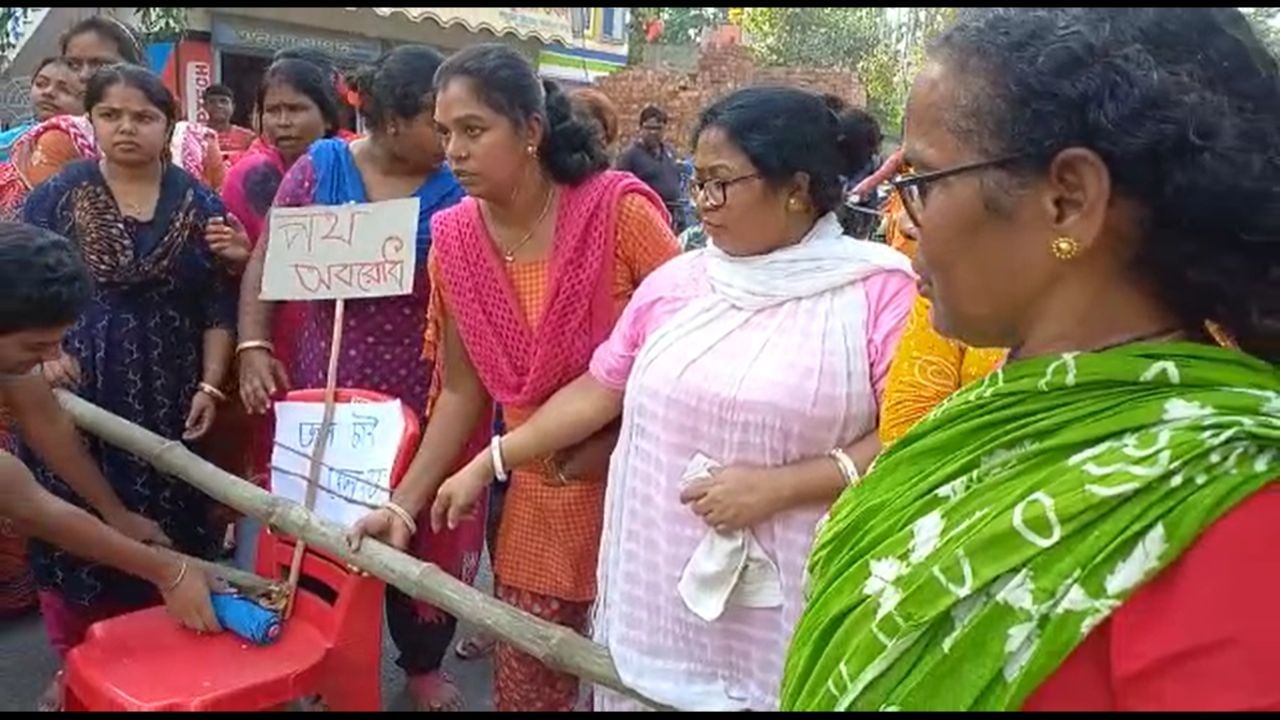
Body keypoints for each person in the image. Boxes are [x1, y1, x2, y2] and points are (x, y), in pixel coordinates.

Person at [782, 7, 1280, 712]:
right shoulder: (982, 427)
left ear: (1067, 200)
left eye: (922, 179)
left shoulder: (1238, 523)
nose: (902, 220)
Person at [427, 85, 916, 711]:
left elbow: (913, 436)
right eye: (699, 183)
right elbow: (601, 390)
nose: (703, 203)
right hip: (661, 601)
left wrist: (784, 487)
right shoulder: (680, 284)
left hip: (798, 595)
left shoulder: (877, 294)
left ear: (795, 188)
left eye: (721, 183)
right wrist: (491, 461)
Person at [346, 43, 679, 712]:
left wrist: (613, 443)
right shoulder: (455, 241)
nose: (454, 151)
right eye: (445, 133)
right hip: (539, 495)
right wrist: (400, 504)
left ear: (530, 131)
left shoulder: (619, 214)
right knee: (532, 686)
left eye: (474, 130)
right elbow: (463, 394)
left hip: (644, 492)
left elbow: (697, 353)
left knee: (647, 683)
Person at [237, 45, 471, 712]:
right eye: (438, 123)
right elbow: (268, 258)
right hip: (329, 388)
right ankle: (319, 649)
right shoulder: (319, 169)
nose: (451, 140)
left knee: (422, 526)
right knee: (325, 524)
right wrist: (254, 343)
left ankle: (421, 661)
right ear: (393, 121)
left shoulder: (462, 186)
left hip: (430, 394)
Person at [20, 65, 236, 683]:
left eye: (143, 116)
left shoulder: (199, 202)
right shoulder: (57, 196)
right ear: (91, 121)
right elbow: (23, 289)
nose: (126, 128)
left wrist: (211, 385)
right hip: (71, 391)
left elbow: (217, 306)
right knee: (72, 521)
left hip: (169, 396)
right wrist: (45, 354)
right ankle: (80, 666)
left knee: (168, 520)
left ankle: (159, 661)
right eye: (111, 115)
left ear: (167, 125)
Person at [616, 104, 687, 233]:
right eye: (649, 128)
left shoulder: (669, 153)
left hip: (672, 218)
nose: (653, 133)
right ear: (640, 128)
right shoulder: (630, 156)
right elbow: (619, 190)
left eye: (658, 129)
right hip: (646, 220)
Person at [0, 57, 83, 163]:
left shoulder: (92, 147)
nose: (48, 92)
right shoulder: (17, 138)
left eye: (64, 90)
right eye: (40, 84)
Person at [203, 84, 256, 168]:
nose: (218, 105)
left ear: (233, 107)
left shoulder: (249, 137)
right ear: (204, 106)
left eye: (223, 101)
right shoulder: (197, 136)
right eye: (212, 102)